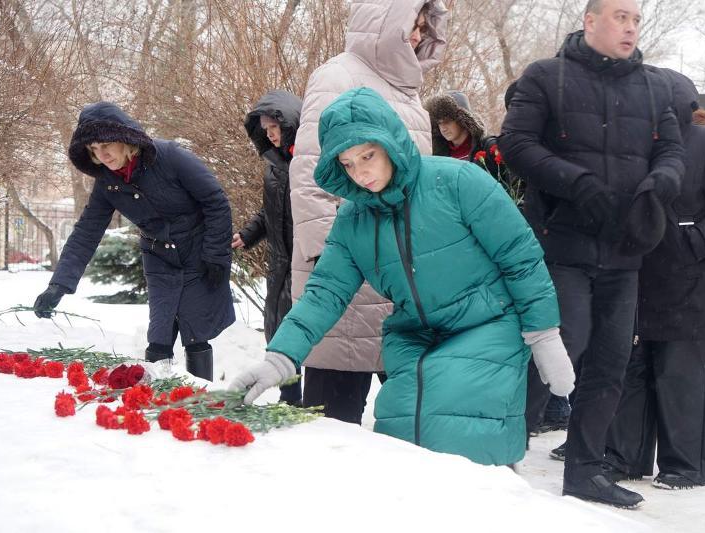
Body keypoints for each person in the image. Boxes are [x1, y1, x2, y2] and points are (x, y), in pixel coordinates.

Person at [229, 87, 574, 466]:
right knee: (402, 436)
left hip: (487, 325)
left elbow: (520, 256)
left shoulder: (458, 182)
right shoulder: (353, 220)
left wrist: (543, 334)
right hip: (415, 336)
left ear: (390, 143)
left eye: (367, 155)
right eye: (347, 163)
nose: (360, 172)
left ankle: (493, 494)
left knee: (456, 430)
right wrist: (281, 357)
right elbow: (325, 292)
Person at [499, 0, 685, 508]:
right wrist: (577, 183)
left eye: (636, 19)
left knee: (610, 359)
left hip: (625, 249)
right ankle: (502, 450)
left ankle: (585, 470)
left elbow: (673, 150)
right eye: (620, 16)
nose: (630, 27)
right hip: (562, 242)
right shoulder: (546, 76)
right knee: (562, 343)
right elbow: (515, 143)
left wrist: (660, 183)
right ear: (590, 21)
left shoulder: (655, 86)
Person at [288, 0, 448, 424]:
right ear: (384, 21)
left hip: (401, 272)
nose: (417, 35)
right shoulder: (337, 76)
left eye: (423, 26)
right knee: (333, 420)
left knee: (414, 421)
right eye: (410, 24)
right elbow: (311, 172)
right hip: (353, 270)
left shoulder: (408, 90)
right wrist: (330, 259)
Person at [603, 69, 705, 490]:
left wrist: (693, 242)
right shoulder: (629, 145)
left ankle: (684, 466)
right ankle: (624, 456)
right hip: (636, 277)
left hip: (693, 283)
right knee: (631, 371)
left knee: (682, 378)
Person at [33, 102, 234, 380]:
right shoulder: (107, 181)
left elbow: (216, 201)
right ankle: (158, 395)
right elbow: (87, 232)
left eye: (106, 145)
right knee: (159, 336)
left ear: (125, 139)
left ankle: (201, 397)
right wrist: (58, 285)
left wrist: (216, 254)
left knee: (195, 332)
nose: (102, 155)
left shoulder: (170, 156)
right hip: (159, 258)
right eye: (94, 149)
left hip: (196, 252)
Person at [232, 90, 303, 405]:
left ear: (291, 124)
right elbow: (270, 210)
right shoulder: (273, 165)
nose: (271, 135)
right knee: (278, 329)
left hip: (306, 262)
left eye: (275, 127)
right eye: (266, 130)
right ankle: (290, 399)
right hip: (279, 262)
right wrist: (248, 234)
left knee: (307, 332)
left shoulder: (309, 162)